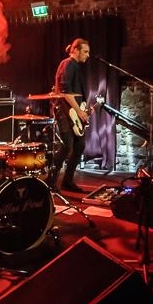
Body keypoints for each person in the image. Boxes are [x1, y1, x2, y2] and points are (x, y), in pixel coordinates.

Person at [49, 37, 91, 193]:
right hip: (64, 111)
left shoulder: (74, 66)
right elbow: (66, 92)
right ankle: (50, 181)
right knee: (67, 146)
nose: (88, 55)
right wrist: (79, 111)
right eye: (85, 51)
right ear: (76, 50)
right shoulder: (68, 64)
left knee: (79, 145)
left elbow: (75, 93)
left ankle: (67, 181)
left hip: (73, 112)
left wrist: (84, 109)